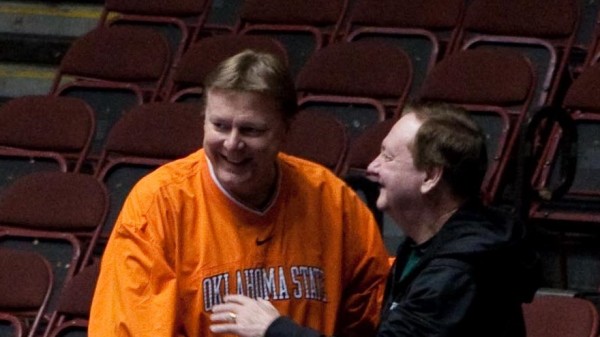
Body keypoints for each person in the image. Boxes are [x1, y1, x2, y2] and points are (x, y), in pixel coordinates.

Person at [88, 50, 390, 337]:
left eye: (251, 130)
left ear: (285, 130)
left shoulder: (331, 201)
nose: (232, 144)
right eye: (220, 125)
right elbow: (128, 325)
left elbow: (378, 312)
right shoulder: (160, 204)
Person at [209, 101, 541, 337]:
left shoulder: (458, 272)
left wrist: (273, 329)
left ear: (430, 176)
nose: (372, 167)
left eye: (388, 156)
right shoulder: (430, 249)